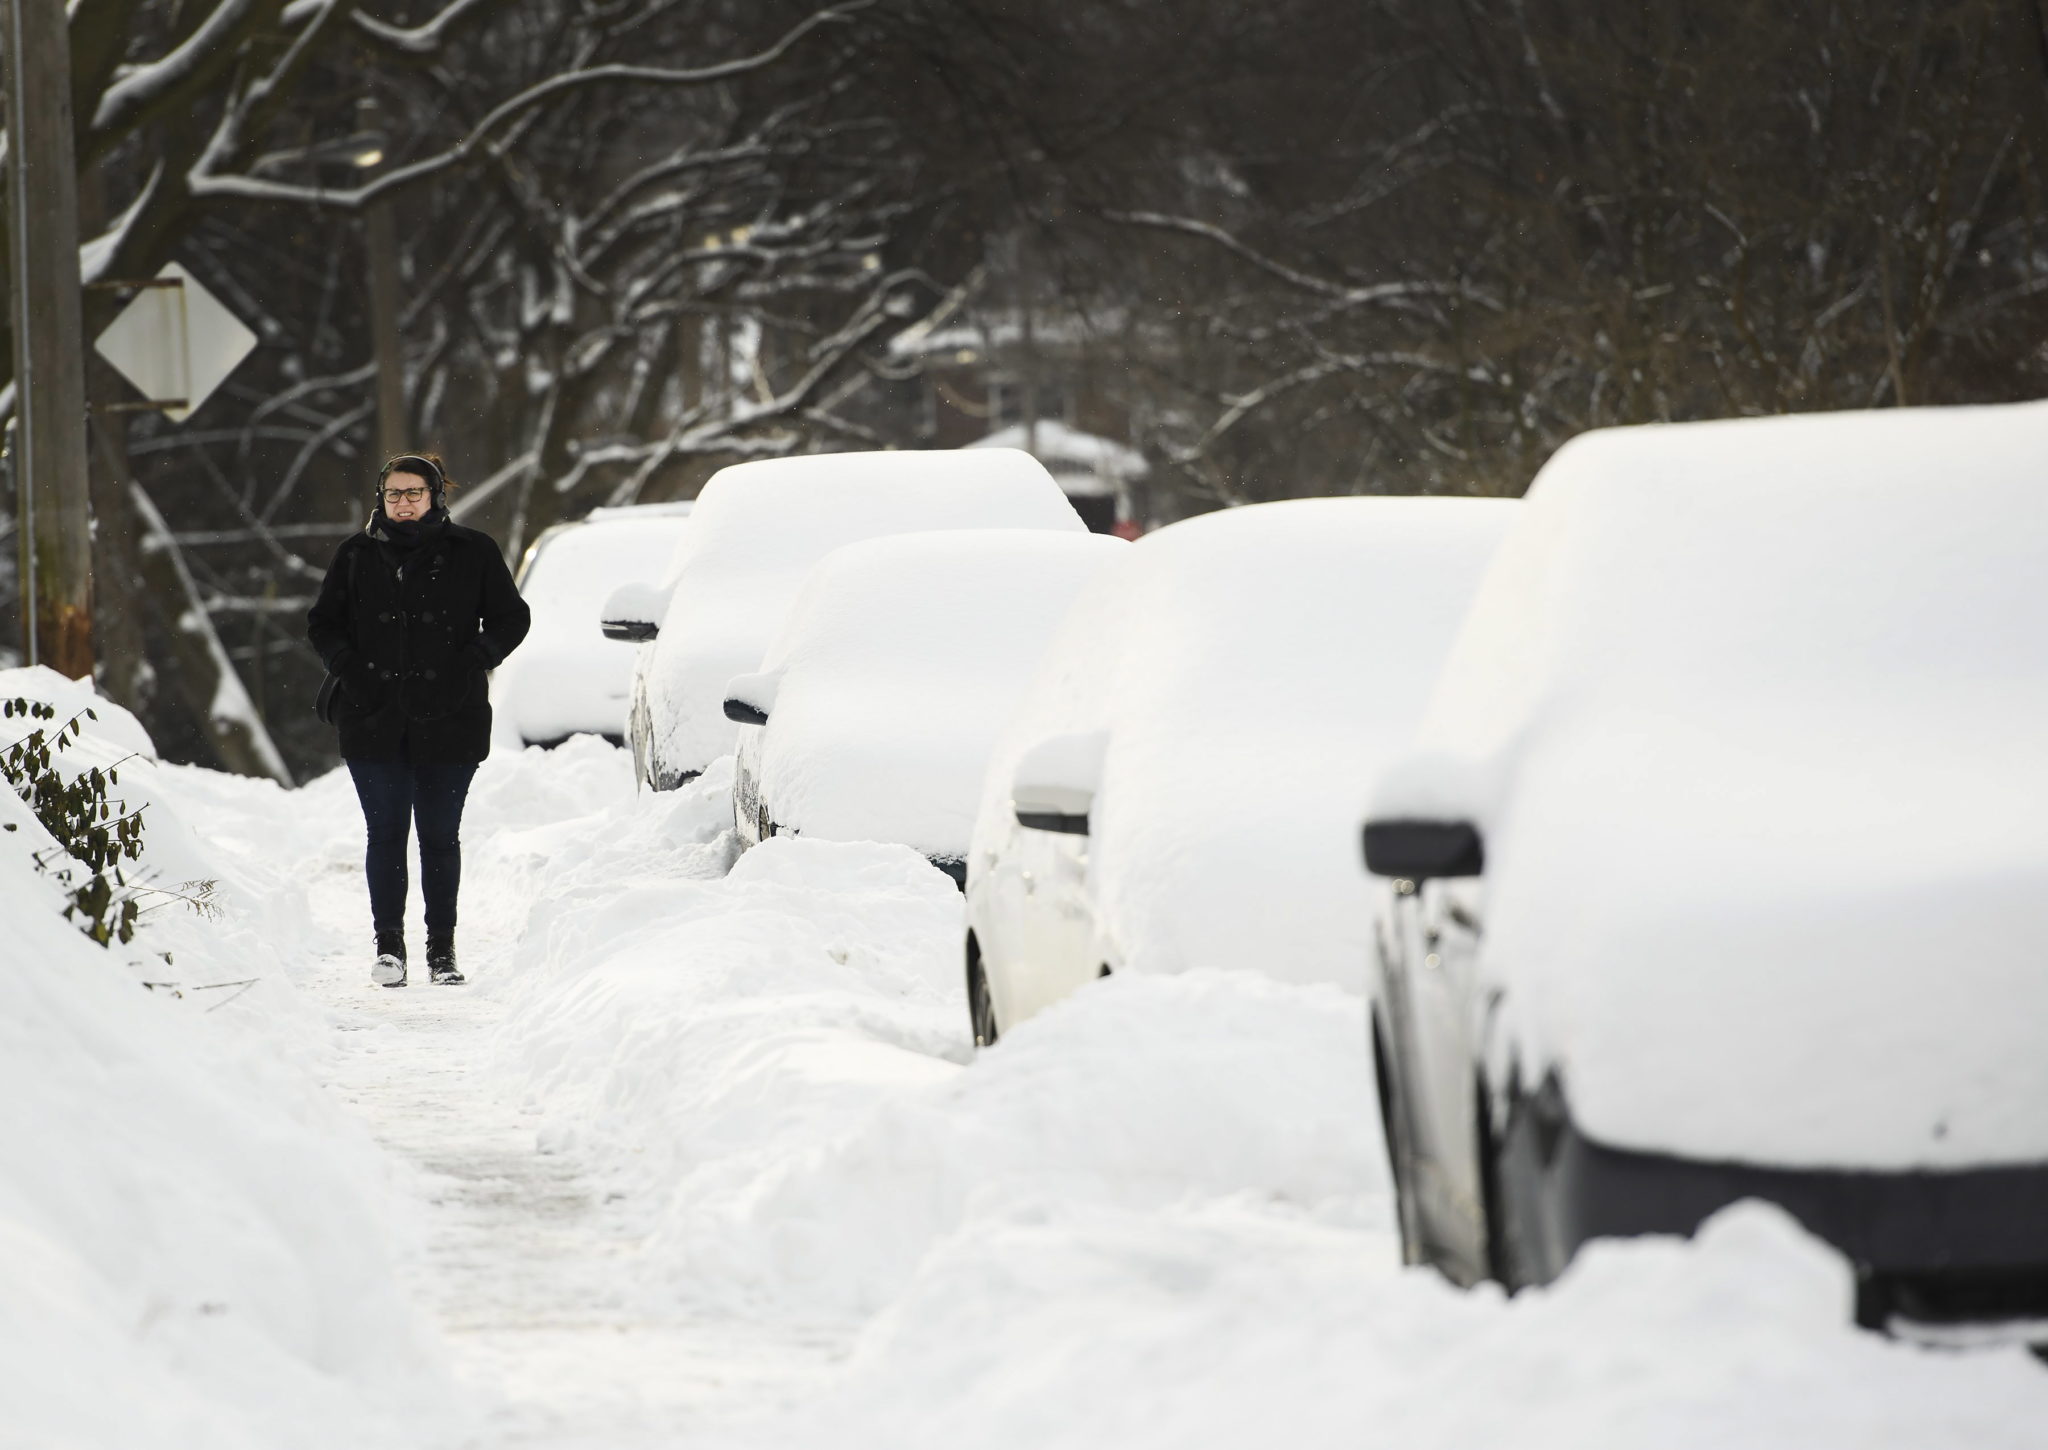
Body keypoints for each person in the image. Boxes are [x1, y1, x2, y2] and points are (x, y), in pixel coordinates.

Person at [307, 453, 530, 987]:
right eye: (394, 494)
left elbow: (511, 618)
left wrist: (471, 662)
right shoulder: (356, 554)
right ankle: (389, 949)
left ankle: (442, 951)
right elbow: (323, 623)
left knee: (439, 836)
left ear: (435, 497)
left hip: (451, 715)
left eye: (414, 493)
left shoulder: (473, 551)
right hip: (370, 715)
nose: (403, 503)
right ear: (381, 499)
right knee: (385, 833)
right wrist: (350, 669)